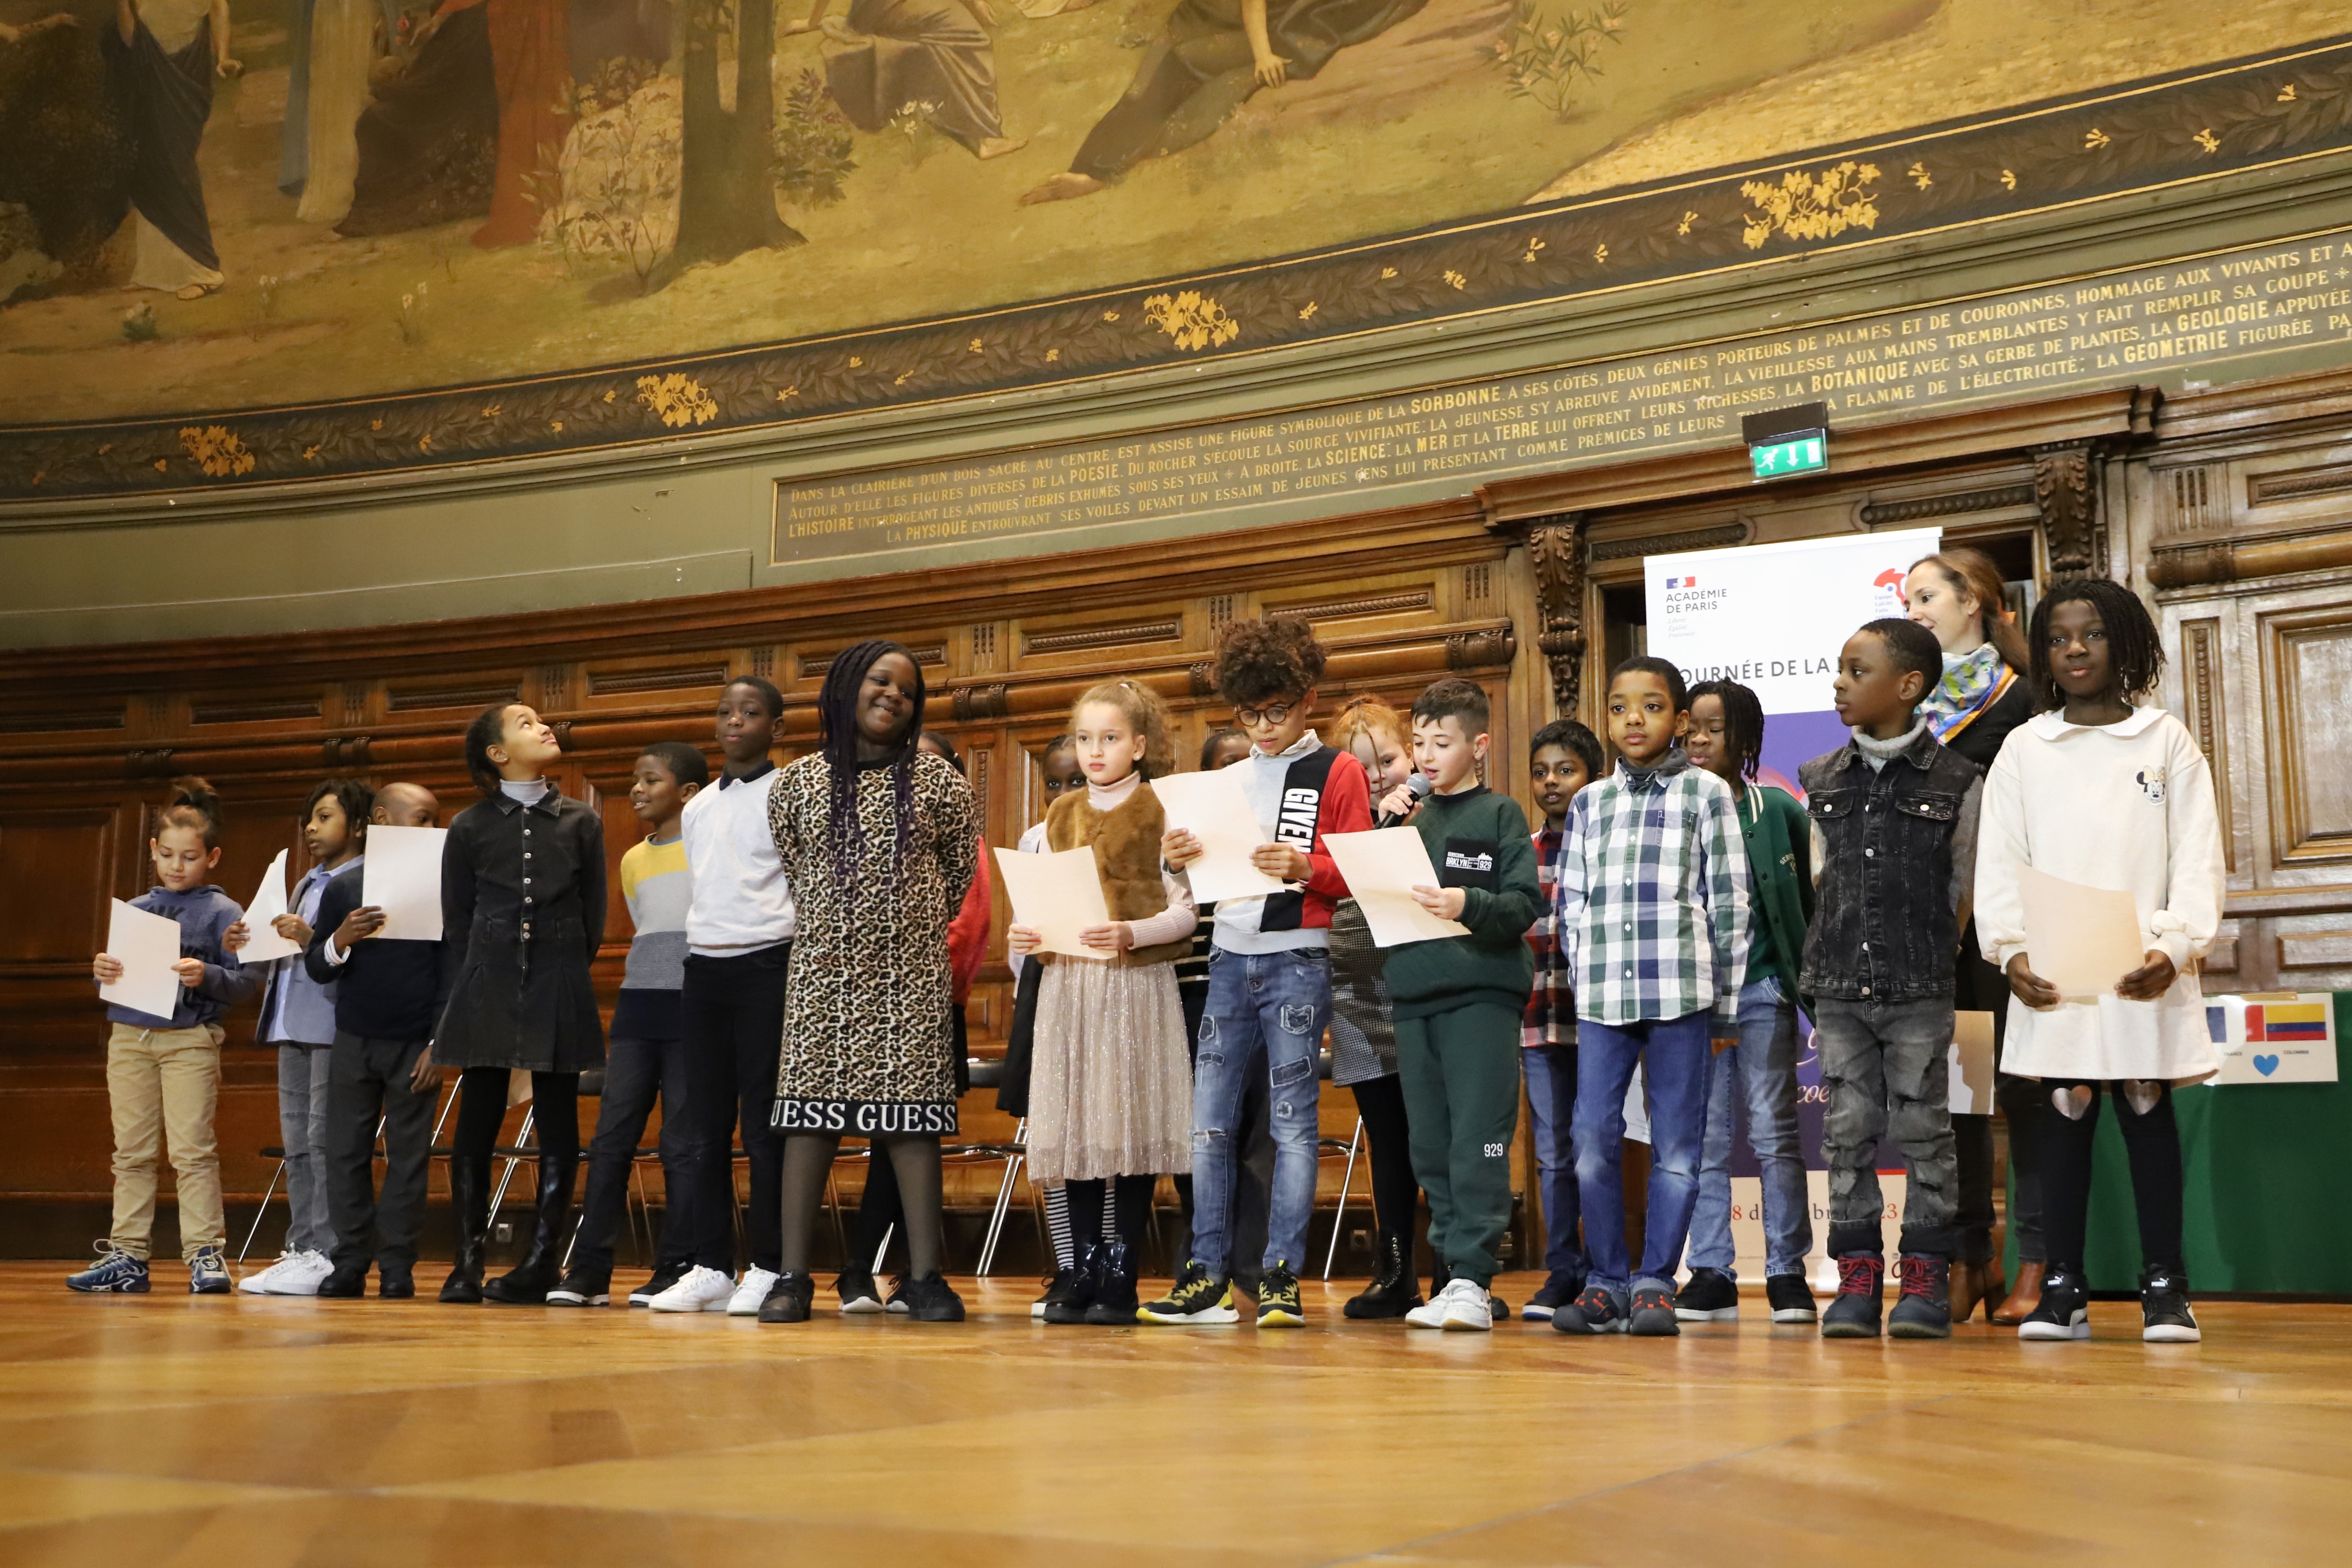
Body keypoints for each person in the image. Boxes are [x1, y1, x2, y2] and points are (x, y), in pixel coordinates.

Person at [1975, 577, 2223, 1345]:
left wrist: (2175, 945)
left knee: (2147, 1109)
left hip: (2144, 968)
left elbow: (2196, 857)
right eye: (2057, 638)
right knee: (2063, 1118)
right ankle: (2063, 1286)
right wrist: (2011, 951)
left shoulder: (2165, 740)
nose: (2075, 650)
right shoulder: (2025, 746)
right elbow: (2001, 860)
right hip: (2057, 973)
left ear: (2127, 642)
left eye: (2092, 635)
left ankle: (2164, 1286)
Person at [1144, 616, 1371, 1327]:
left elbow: (1361, 870)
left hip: (1299, 957)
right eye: (1249, 713)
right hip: (1228, 956)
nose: (1264, 727)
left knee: (1293, 1124)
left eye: (1276, 710)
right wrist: (1174, 856)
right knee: (1206, 1126)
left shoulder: (1338, 770)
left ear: (1308, 699)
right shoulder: (1227, 778)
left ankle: (1279, 1273)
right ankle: (1205, 1273)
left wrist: (1309, 868)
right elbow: (1188, 874)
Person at [756, 641, 981, 1325]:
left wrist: (897, 932)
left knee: (913, 1127)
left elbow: (958, 870)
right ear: (847, 688)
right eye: (881, 682)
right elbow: (796, 869)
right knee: (807, 1120)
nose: (894, 697)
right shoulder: (795, 784)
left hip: (912, 977)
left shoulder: (941, 781)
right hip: (822, 974)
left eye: (909, 690)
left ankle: (925, 1278)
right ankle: (792, 1278)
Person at [1551, 657, 1749, 1338]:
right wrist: (1584, 980)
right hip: (1604, 997)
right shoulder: (1589, 803)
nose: (1633, 719)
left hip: (1681, 992)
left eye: (1652, 706)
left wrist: (1726, 1005)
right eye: (1618, 708)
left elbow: (1728, 900)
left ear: (1681, 720)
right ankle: (1606, 1281)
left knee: (1677, 1149)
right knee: (1591, 1142)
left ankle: (1657, 1282)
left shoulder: (1706, 794)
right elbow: (1573, 901)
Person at [1800, 619, 1981, 1340]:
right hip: (1840, 991)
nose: (1840, 682)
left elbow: (1964, 890)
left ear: (1907, 686)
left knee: (1926, 1134)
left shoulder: (1960, 781)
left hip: (1920, 990)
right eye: (1839, 669)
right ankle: (1856, 1279)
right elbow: (1821, 880)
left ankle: (1926, 1280)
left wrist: (1923, 957)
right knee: (1846, 1135)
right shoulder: (1820, 779)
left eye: (1855, 670)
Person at [1011, 682, 1196, 1324]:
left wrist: (1130, 933)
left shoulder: (1159, 812)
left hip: (1132, 985)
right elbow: (1041, 909)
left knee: (1130, 1124)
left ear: (1139, 745)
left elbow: (1185, 914)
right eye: (1084, 739)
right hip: (1070, 986)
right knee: (1080, 1124)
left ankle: (1120, 1269)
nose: (1095, 752)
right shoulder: (1056, 820)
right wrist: (1027, 935)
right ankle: (1082, 1265)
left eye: (1110, 738)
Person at [1371, 679, 1542, 1333]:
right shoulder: (1404, 815)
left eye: (1440, 743)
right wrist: (1386, 833)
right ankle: (1448, 1272)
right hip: (1413, 992)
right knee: (1431, 1146)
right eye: (1417, 744)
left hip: (1480, 996)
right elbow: (1373, 895)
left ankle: (1473, 1276)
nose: (1426, 756)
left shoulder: (1497, 814)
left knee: (1481, 1142)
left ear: (1477, 745)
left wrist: (1465, 904)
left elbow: (1523, 905)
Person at [1904, 547, 2042, 1324]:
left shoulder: (2022, 703)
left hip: (2010, 933)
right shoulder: (1906, 709)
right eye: (1907, 599)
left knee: (2020, 1096)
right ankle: (1970, 1259)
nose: (1915, 609)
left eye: (1927, 595)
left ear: (1974, 601)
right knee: (1957, 1103)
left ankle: (2038, 1260)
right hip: (1936, 936)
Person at [435, 703, 607, 1305]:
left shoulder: (582, 820)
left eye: (541, 720)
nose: (544, 727)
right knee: (476, 1121)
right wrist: (485, 970)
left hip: (560, 978)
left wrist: (558, 971)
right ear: (497, 754)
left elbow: (593, 920)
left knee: (558, 1121)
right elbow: (458, 922)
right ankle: (466, 1264)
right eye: (526, 723)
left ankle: (540, 1263)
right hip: (489, 980)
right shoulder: (469, 827)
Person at [75, 778, 257, 1294]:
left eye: (191, 857)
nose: (178, 866)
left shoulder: (226, 912)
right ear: (154, 850)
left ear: (213, 857)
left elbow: (247, 982)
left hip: (190, 1040)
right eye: (169, 855)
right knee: (130, 1151)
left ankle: (205, 1252)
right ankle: (128, 1254)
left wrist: (209, 975)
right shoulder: (137, 907)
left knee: (192, 1150)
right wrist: (102, 970)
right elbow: (116, 980)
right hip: (130, 1037)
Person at [1678, 680, 1818, 1326]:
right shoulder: (1673, 808)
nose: (1698, 739)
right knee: (1704, 1140)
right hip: (1692, 1002)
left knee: (1773, 1135)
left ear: (1745, 739)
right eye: (1692, 727)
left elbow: (1807, 913)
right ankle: (1711, 1270)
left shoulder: (1779, 811)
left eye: (1714, 728)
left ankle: (1788, 1271)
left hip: (1762, 992)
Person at [652, 677, 793, 1314]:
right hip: (704, 967)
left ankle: (768, 1263)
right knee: (702, 1125)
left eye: (751, 712)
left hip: (769, 962)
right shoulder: (699, 804)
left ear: (776, 728)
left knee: (764, 1126)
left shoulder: (789, 792)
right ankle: (711, 1263)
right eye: (725, 712)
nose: (734, 721)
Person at [842, 729, 994, 1314]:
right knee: (886, 1143)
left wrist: (915, 987)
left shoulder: (963, 842)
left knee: (902, 1144)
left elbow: (965, 931)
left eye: (932, 768)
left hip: (929, 1007)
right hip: (872, 1005)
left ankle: (890, 1271)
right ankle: (874, 1271)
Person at [550, 742, 708, 1307]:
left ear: (687, 793)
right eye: (634, 780)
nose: (637, 790)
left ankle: (678, 1266)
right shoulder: (633, 857)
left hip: (694, 1008)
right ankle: (589, 1269)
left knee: (682, 1144)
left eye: (650, 780)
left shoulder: (709, 849)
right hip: (639, 1006)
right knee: (611, 1139)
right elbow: (646, 928)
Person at [1018, 0, 1424, 204]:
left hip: (1299, 19)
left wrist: (1263, 53)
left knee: (1185, 62)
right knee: (1178, 58)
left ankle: (1098, 169)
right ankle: (1098, 165)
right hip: (1273, 14)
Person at [307, 783, 445, 1298]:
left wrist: (440, 1042)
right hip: (353, 1038)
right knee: (345, 1152)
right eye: (424, 819)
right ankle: (349, 1262)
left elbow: (453, 972)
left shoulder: (444, 887)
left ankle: (397, 1266)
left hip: (415, 1044)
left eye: (436, 820)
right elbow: (317, 966)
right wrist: (340, 938)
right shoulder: (346, 887)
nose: (433, 830)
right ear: (384, 818)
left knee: (408, 1156)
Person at [241, 779, 374, 1298]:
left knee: (324, 1142)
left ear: (359, 825)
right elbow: (284, 953)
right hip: (290, 1020)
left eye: (324, 817)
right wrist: (250, 942)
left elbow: (360, 956)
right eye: (310, 819)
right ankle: (303, 1248)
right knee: (298, 1144)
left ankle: (328, 1249)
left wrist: (310, 937)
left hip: (332, 1025)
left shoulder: (365, 878)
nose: (311, 828)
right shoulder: (306, 881)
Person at [1165, 725, 1277, 1299]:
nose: (1238, 773)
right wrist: (1176, 863)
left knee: (1259, 1137)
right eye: (1226, 765)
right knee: (1201, 1137)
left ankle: (1254, 1269)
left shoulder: (1272, 833)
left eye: (1245, 765)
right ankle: (1200, 1260)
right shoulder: (1190, 836)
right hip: (1192, 996)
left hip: (1258, 994)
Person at [1325, 695, 1423, 1319]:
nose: (1378, 776)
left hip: (1419, 994)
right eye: (1361, 768)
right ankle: (1395, 1273)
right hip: (1358, 997)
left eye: (1386, 759)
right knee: (1386, 1140)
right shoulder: (1337, 828)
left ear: (1410, 755)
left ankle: (1464, 1274)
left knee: (1435, 1139)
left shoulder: (1430, 809)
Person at [1002, 734, 1089, 1315]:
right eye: (1053, 783)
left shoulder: (1127, 829)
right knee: (1052, 1139)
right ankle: (1066, 1264)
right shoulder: (1035, 841)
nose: (1062, 794)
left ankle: (1101, 1261)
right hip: (1045, 991)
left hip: (1106, 990)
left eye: (1074, 781)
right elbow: (1018, 944)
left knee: (1103, 1136)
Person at [1520, 717, 1601, 1320]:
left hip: (1599, 1019)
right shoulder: (1521, 852)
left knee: (1597, 1146)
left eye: (1565, 771)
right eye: (1542, 772)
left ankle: (1605, 1267)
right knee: (1552, 1152)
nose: (1552, 783)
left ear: (1591, 777)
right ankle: (1561, 1267)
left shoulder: (1604, 842)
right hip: (1536, 1021)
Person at [103, 0, 239, 299]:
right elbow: (130, 35)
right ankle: (156, 270)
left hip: (186, 71)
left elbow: (218, 7)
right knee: (150, 167)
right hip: (149, 67)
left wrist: (224, 56)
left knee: (177, 167)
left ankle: (205, 271)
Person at [791, 0, 1028, 160]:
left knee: (952, 29)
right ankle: (984, 138)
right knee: (973, 37)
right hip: (889, 8)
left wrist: (812, 22)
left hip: (868, 12)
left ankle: (967, 118)